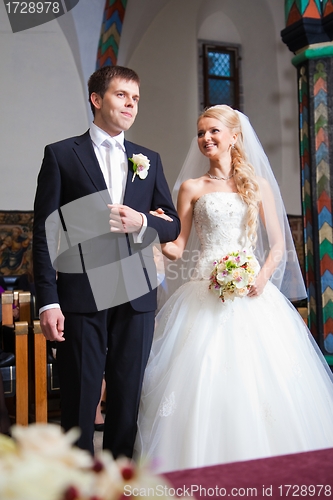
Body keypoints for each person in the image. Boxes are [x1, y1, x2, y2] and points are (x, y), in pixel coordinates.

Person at [134, 105, 333, 473]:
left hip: (252, 295)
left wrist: (260, 277)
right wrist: (154, 229)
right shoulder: (191, 188)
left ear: (234, 136)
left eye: (213, 131)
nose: (205, 138)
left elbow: (277, 245)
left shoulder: (257, 186)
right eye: (200, 133)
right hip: (201, 294)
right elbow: (177, 249)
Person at [33, 65, 180, 457]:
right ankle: (77, 484)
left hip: (136, 295)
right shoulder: (62, 155)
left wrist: (142, 220)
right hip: (80, 294)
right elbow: (45, 233)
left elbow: (172, 226)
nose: (131, 105)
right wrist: (48, 299)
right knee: (79, 402)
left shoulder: (148, 159)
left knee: (127, 399)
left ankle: (120, 481)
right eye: (121, 96)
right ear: (97, 100)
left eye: (135, 99)